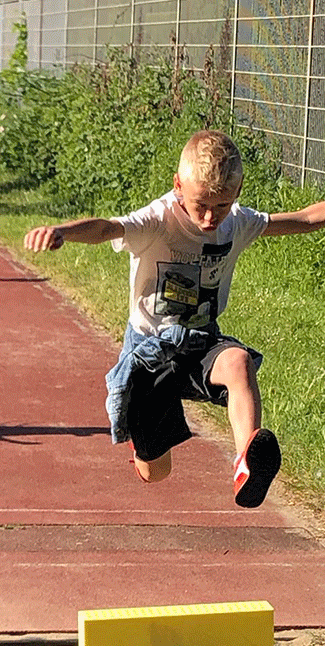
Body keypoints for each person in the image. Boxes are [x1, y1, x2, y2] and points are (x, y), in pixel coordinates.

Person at [23, 129, 325, 509]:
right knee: (156, 472)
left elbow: (305, 218)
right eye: (201, 205)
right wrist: (62, 231)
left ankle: (247, 462)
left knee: (238, 362)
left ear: (238, 191)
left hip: (201, 341)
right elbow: (106, 227)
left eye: (222, 206)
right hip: (150, 353)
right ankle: (144, 444)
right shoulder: (158, 219)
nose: (210, 218)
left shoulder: (238, 222)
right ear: (178, 185)